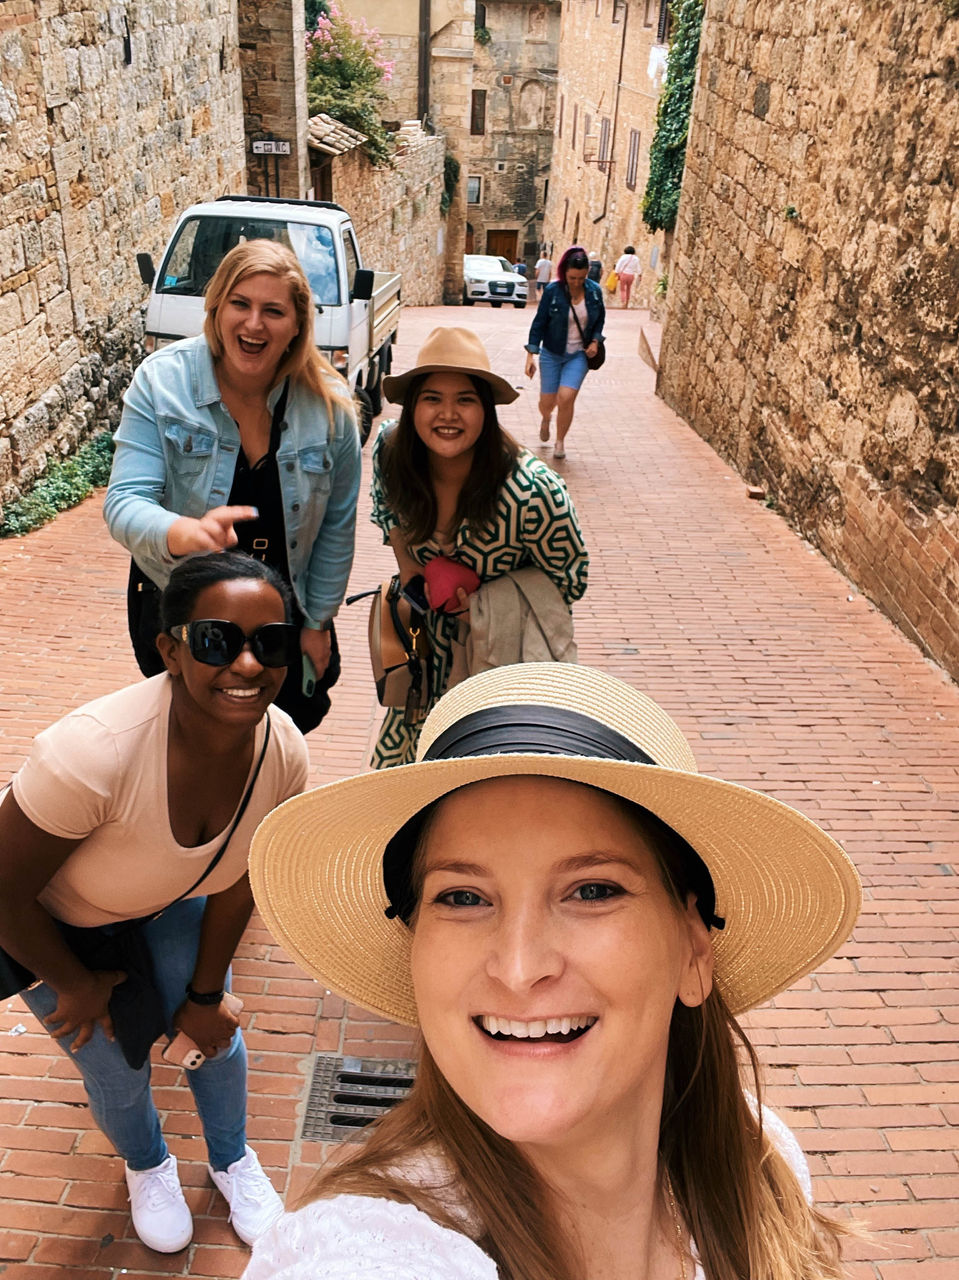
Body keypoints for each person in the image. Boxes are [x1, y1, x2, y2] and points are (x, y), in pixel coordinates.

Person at [243, 662, 861, 1280]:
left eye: (591, 891)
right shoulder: (365, 1256)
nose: (518, 968)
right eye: (462, 897)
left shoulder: (761, 1167)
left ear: (694, 951)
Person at [0, 552, 310, 1253]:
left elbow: (238, 880)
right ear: (169, 650)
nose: (248, 665)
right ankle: (148, 1166)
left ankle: (232, 1160)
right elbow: (3, 890)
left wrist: (204, 994)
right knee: (115, 1065)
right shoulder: (93, 754)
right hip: (49, 923)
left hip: (165, 902)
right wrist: (74, 985)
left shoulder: (282, 751)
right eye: (215, 641)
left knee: (215, 1035)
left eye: (270, 642)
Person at [104, 239, 362, 735]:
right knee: (186, 740)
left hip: (281, 622)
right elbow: (124, 503)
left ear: (297, 325)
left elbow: (336, 528)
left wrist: (317, 622)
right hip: (184, 611)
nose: (254, 324)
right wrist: (182, 532)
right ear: (216, 307)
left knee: (281, 739)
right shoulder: (162, 383)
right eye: (240, 304)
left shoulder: (329, 409)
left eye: (273, 310)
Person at [368, 327, 588, 769]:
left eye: (465, 399)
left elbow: (570, 581)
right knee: (404, 792)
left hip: (500, 668)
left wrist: (486, 607)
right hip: (423, 666)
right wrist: (413, 571)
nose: (447, 414)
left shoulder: (532, 493)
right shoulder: (391, 452)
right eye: (432, 398)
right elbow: (389, 515)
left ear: (486, 409)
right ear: (413, 407)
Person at [525, 244, 606, 460]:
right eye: (572, 278)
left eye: (581, 278)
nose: (577, 282)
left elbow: (599, 321)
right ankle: (545, 418)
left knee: (566, 397)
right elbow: (539, 324)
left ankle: (560, 441)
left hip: (578, 355)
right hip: (551, 353)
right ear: (564, 273)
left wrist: (596, 341)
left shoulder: (594, 292)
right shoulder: (553, 291)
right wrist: (530, 355)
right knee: (547, 401)